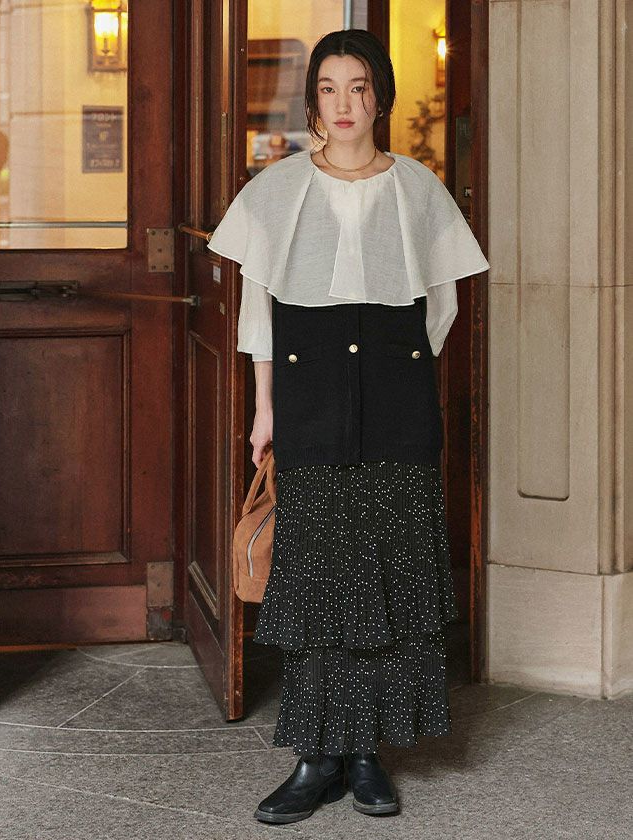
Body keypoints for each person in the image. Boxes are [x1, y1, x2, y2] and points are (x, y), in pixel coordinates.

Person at [207, 29, 489, 825]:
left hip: (398, 405)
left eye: (358, 87)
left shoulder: (419, 188)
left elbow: (440, 310)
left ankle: (366, 754)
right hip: (310, 400)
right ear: (312, 102)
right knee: (316, 575)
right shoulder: (276, 190)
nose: (343, 104)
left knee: (386, 574)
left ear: (380, 98)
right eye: (328, 88)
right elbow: (257, 314)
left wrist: (395, 376)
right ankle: (314, 757)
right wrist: (265, 408)